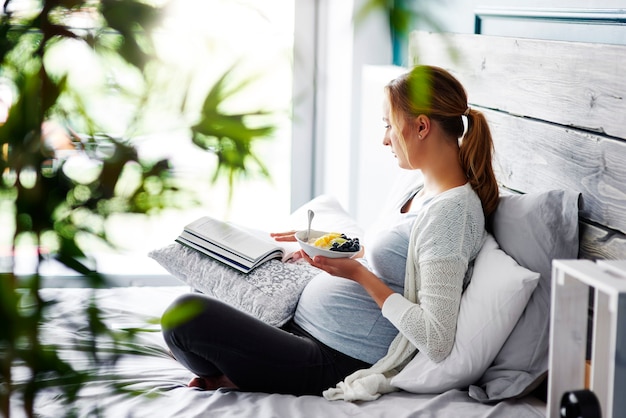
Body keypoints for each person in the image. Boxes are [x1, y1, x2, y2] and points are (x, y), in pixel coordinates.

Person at [161, 65, 499, 399]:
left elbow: (436, 339)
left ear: (422, 126)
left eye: (388, 125)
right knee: (201, 286)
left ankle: (235, 375)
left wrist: (360, 276)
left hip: (336, 357)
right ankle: (237, 368)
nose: (384, 139)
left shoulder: (453, 214)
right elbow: (401, 257)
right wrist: (328, 246)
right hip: (301, 325)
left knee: (184, 317)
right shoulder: (420, 187)